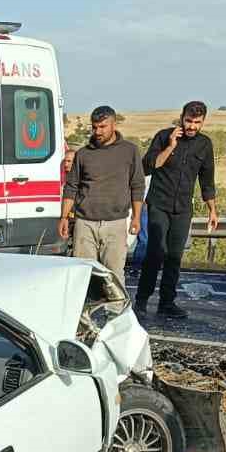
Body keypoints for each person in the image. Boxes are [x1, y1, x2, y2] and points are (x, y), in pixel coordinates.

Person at [136, 101, 218, 319]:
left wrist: (212, 210)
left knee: (174, 257)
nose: (192, 126)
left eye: (197, 122)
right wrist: (171, 146)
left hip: (183, 208)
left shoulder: (205, 144)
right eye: (189, 121)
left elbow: (207, 180)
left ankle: (166, 303)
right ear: (181, 117)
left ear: (203, 122)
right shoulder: (164, 136)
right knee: (155, 252)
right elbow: (148, 166)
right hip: (158, 204)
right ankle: (141, 301)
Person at [59, 105, 143, 309]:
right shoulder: (83, 154)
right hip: (84, 223)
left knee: (114, 275)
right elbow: (71, 186)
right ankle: (80, 319)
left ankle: (117, 319)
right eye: (95, 127)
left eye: (103, 127)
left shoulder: (129, 151)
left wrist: (136, 218)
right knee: (83, 273)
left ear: (114, 124)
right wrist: (63, 217)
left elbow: (137, 185)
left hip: (115, 223)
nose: (98, 131)